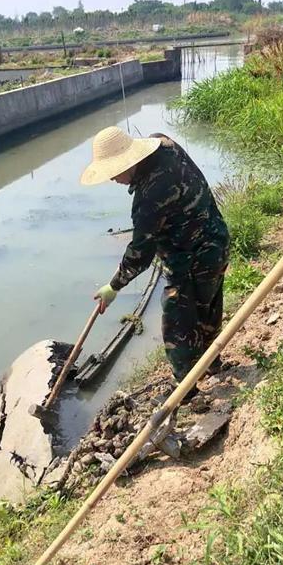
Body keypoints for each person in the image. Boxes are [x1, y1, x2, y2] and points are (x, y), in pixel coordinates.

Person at [81, 125, 229, 404]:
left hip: (190, 259)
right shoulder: (163, 143)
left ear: (129, 162)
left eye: (113, 172)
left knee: (177, 322)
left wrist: (113, 287)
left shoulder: (148, 198)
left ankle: (185, 391)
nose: (112, 179)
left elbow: (140, 253)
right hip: (217, 241)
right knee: (207, 308)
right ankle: (211, 363)